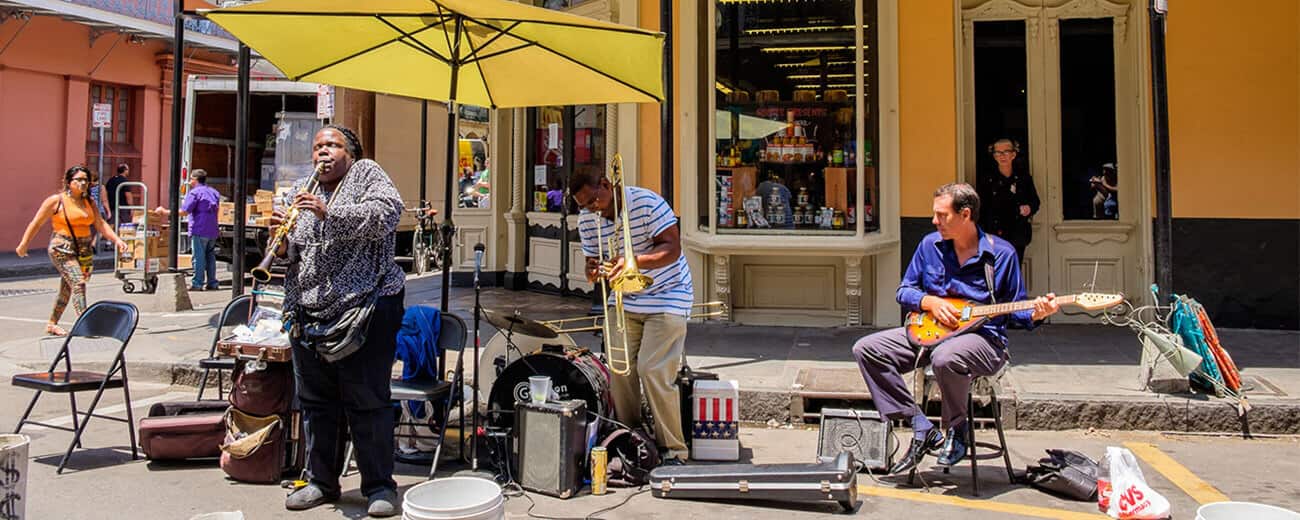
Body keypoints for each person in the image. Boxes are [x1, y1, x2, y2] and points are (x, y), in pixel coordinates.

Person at [850, 183, 1060, 475]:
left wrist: (1038, 313)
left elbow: (1016, 311)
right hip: (931, 332)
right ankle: (921, 426)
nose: (935, 221)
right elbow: (904, 291)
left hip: (983, 341)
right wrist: (929, 302)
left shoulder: (1002, 254)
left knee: (946, 357)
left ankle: (957, 429)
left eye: (942, 215)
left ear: (965, 214)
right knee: (867, 349)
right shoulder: (929, 246)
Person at [274, 125, 405, 517]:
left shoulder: (367, 174)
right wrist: (280, 243)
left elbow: (386, 216)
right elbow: (294, 250)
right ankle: (321, 481)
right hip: (309, 308)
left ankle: (379, 486)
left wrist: (329, 211)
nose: (322, 153)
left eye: (331, 145)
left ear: (350, 152)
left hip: (365, 304)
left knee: (366, 400)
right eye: (317, 147)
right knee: (316, 402)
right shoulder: (304, 188)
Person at [571, 167, 694, 465]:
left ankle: (673, 450)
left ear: (605, 185)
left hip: (668, 295)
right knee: (619, 369)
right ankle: (631, 437)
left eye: (593, 202)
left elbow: (672, 248)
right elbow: (593, 260)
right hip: (625, 299)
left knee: (653, 369)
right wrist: (591, 271)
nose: (591, 210)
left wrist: (632, 262)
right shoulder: (588, 218)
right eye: (584, 206)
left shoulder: (647, 203)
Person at [15, 166, 128, 336]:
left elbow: (100, 224)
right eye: (79, 180)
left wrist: (117, 240)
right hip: (62, 248)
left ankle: (52, 324)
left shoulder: (89, 202)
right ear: (69, 182)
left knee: (67, 289)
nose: (83, 183)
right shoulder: (56, 201)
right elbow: (36, 222)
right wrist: (24, 244)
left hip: (83, 250)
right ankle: (86, 323)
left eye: (86, 180)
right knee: (78, 283)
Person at [153, 169, 221, 290]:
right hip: (212, 229)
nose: (189, 181)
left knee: (198, 257)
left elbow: (184, 211)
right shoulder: (214, 192)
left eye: (190, 179)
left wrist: (164, 212)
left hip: (199, 228)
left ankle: (197, 283)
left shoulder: (195, 193)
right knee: (210, 256)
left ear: (195, 180)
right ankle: (212, 283)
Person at [976, 138, 1040, 262]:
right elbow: (981, 207)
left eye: (1006, 152)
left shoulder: (1023, 178)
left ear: (1013, 154)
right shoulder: (987, 179)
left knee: (1014, 271)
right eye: (998, 153)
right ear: (994, 156)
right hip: (994, 234)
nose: (1002, 156)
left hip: (1017, 234)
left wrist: (1029, 208)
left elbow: (1035, 202)